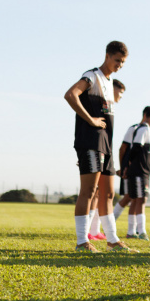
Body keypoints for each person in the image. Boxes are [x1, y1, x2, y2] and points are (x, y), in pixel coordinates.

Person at [63, 41, 134, 252]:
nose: (119, 65)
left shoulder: (109, 82)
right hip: (90, 141)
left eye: (123, 62)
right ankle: (82, 242)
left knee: (109, 193)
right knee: (88, 191)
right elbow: (70, 94)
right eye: (117, 60)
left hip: (106, 143)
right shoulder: (91, 76)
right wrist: (91, 120)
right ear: (107, 56)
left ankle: (112, 240)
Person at [88, 78, 126, 240]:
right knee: (93, 192)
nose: (121, 96)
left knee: (101, 193)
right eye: (120, 92)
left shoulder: (110, 108)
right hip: (95, 149)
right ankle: (87, 232)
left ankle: (95, 230)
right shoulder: (99, 101)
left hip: (105, 149)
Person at [125, 106, 150, 240]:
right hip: (139, 171)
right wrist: (128, 165)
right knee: (141, 200)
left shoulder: (146, 130)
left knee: (136, 200)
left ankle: (132, 232)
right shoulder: (143, 129)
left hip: (143, 171)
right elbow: (135, 147)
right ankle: (141, 231)